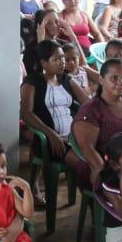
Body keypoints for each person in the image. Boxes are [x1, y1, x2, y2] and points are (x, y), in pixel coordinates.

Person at [71, 57, 122, 175]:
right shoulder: (91, 110)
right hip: (113, 169)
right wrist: (107, 177)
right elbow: (88, 150)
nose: (121, 83)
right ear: (101, 80)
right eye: (114, 78)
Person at [20, 39, 88, 171]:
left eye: (63, 57)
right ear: (43, 63)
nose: (62, 62)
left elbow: (87, 103)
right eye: (56, 59)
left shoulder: (67, 80)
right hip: (51, 142)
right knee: (85, 165)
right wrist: (50, 134)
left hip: (74, 138)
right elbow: (26, 113)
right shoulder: (32, 83)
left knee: (99, 159)